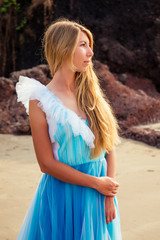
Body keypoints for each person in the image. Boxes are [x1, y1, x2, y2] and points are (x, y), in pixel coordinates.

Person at [16, 18, 122, 240]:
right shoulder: (40, 100)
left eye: (89, 45)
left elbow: (108, 146)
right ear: (63, 48)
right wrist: (97, 184)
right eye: (83, 45)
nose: (90, 53)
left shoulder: (91, 94)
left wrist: (108, 195)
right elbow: (46, 164)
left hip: (100, 195)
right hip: (62, 197)